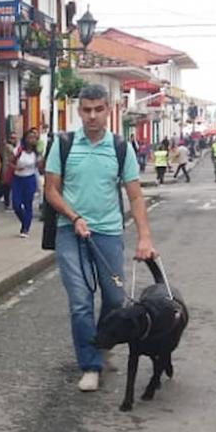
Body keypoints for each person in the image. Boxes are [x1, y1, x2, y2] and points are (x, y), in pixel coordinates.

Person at [44, 83, 155, 392]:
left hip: (107, 232)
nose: (92, 116)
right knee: (80, 301)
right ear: (79, 111)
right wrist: (74, 217)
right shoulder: (63, 144)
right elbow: (51, 189)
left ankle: (102, 344)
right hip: (71, 232)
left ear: (108, 111)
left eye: (98, 110)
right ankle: (90, 365)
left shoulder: (120, 148)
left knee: (115, 298)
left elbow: (134, 196)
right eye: (86, 110)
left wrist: (144, 237)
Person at [8, 129, 43, 237]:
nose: (31, 140)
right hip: (18, 179)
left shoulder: (36, 153)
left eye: (33, 138)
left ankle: (25, 228)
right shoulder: (19, 151)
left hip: (30, 179)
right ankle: (24, 220)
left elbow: (40, 168)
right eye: (29, 137)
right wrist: (16, 168)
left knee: (28, 204)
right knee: (16, 204)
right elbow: (10, 162)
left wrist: (41, 162)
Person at [0, 131, 17, 211]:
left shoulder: (12, 147)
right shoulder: (9, 147)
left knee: (7, 186)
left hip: (10, 168)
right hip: (8, 168)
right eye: (12, 138)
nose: (14, 140)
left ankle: (6, 202)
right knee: (7, 187)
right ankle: (7, 203)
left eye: (15, 138)